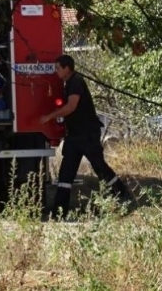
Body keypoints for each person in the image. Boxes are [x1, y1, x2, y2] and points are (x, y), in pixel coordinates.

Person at [40, 54, 134, 218]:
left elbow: (71, 107)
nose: (55, 71)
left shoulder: (76, 82)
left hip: (86, 134)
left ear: (66, 68)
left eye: (57, 68)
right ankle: (59, 211)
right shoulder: (68, 83)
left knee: (99, 167)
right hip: (75, 135)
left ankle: (123, 195)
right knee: (66, 173)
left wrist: (49, 116)